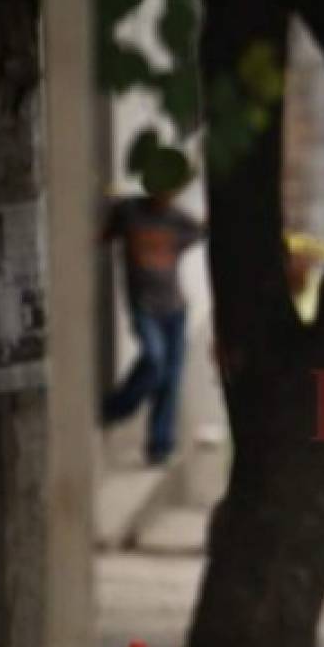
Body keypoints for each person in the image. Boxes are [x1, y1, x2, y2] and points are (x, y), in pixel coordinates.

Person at [100, 190, 203, 465]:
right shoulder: (130, 212)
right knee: (154, 359)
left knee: (170, 378)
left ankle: (160, 444)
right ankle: (116, 407)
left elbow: (201, 229)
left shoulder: (178, 219)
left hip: (175, 308)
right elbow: (104, 230)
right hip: (144, 306)